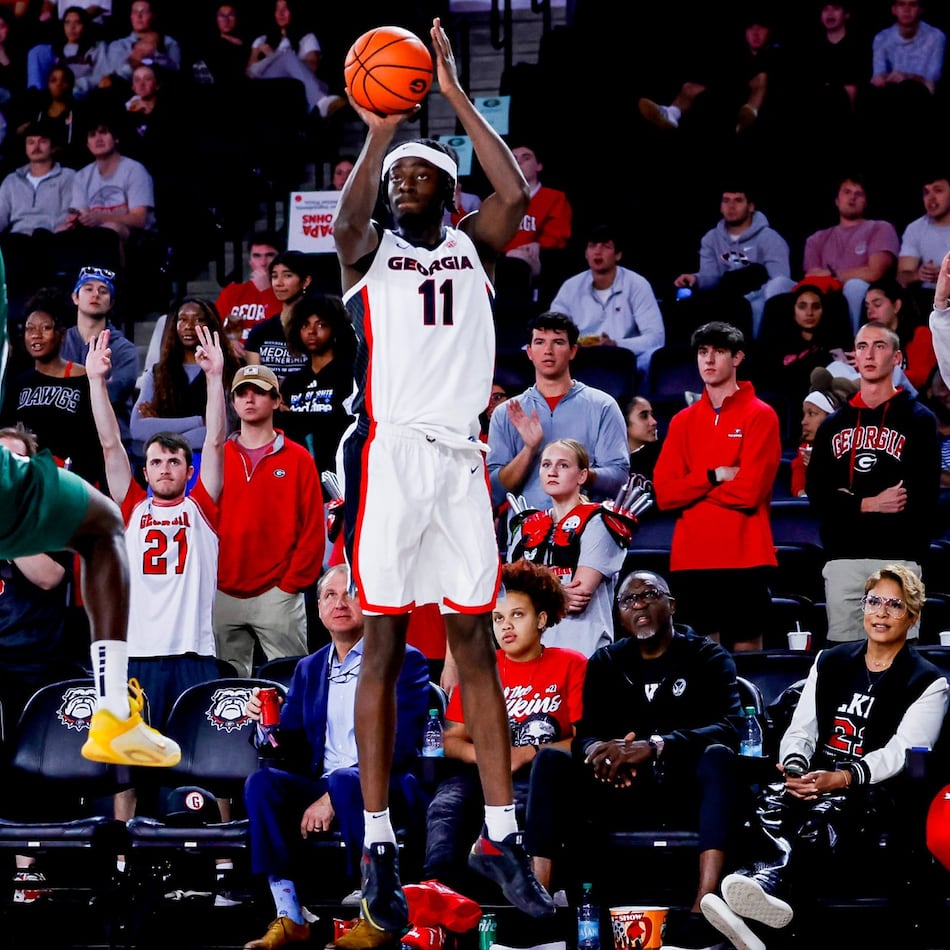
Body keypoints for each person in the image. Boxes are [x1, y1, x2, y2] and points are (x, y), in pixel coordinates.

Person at [332, 16, 555, 945]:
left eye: (420, 174)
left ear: (448, 191)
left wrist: (454, 94)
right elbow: (346, 221)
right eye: (397, 179)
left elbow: (516, 190)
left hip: (462, 458)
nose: (404, 184)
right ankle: (379, 845)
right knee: (382, 644)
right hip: (389, 457)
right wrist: (382, 130)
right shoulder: (368, 255)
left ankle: (501, 838)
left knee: (476, 645)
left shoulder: (477, 247)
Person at [701, 564, 949, 950]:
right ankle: (759, 900)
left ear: (913, 616)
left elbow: (902, 751)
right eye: (874, 601)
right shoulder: (830, 661)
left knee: (826, 813)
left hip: (876, 789)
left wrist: (844, 777)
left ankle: (762, 891)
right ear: (863, 607)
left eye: (895, 605)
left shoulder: (930, 681)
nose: (882, 612)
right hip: (818, 775)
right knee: (774, 799)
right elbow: (802, 728)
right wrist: (796, 767)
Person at [0, 249, 180, 769]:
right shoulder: (20, 383)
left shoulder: (71, 379)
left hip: (40, 491)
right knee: (104, 527)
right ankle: (113, 713)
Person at [527, 569, 742, 950]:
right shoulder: (606, 662)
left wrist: (656, 745)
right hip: (619, 786)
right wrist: (602, 753)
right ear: (620, 616)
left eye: (649, 595)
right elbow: (585, 734)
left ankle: (705, 906)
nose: (639, 604)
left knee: (718, 758)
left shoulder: (708, 656)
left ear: (671, 605)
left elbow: (730, 727)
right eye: (628, 600)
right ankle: (537, 904)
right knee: (550, 762)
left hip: (685, 788)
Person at [242, 563, 430, 950]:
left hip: (387, 784)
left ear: (370, 603)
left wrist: (330, 797)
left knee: (345, 781)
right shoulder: (309, 668)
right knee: (262, 784)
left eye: (350, 594)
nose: (339, 603)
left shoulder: (402, 659)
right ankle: (290, 914)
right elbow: (289, 747)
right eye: (330, 595)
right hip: (326, 782)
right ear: (318, 608)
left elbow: (402, 745)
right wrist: (264, 725)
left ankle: (376, 914)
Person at [86, 323, 225, 821]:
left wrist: (215, 378)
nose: (165, 468)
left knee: (208, 764)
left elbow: (215, 441)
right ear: (145, 472)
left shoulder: (202, 507)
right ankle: (124, 854)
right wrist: (97, 382)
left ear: (188, 470)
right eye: (157, 461)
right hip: (137, 658)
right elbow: (110, 444)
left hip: (192, 653)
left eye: (174, 461)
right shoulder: (131, 508)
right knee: (127, 769)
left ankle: (222, 857)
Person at [424, 558, 584, 894]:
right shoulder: (480, 668)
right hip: (481, 772)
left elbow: (583, 740)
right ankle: (436, 890)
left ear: (541, 619)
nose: (506, 626)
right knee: (446, 804)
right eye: (498, 618)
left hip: (540, 777)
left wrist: (528, 753)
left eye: (517, 615)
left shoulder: (571, 663)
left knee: (526, 807)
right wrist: (489, 757)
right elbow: (450, 739)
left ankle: (527, 895)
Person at [806, 321, 940, 643]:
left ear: (897, 358)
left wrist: (846, 500)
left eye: (879, 346)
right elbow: (819, 496)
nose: (869, 354)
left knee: (898, 659)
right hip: (843, 560)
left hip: (900, 558)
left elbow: (922, 498)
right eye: (862, 347)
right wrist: (868, 503)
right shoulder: (832, 426)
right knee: (844, 657)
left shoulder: (919, 420)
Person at [653, 321, 781, 652]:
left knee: (748, 654)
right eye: (703, 352)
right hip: (692, 558)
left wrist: (692, 490)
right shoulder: (682, 421)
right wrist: (713, 476)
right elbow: (665, 494)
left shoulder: (761, 415)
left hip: (746, 555)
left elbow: (750, 492)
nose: (708, 360)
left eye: (719, 352)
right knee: (701, 658)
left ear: (737, 358)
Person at [214, 363, 323, 678]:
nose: (249, 399)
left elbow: (313, 529)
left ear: (276, 400)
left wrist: (290, 585)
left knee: (290, 683)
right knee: (226, 688)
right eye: (242, 393)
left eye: (259, 392)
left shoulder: (299, 458)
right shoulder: (216, 457)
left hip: (279, 593)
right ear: (233, 402)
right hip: (222, 591)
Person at [488, 310, 629, 512]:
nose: (548, 350)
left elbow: (619, 480)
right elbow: (493, 491)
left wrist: (578, 472)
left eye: (558, 342)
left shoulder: (603, 406)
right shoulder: (505, 413)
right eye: (540, 342)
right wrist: (529, 450)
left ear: (573, 351)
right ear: (529, 352)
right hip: (526, 526)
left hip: (587, 524)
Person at [508, 439, 630, 657]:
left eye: (563, 465)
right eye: (546, 465)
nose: (552, 472)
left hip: (582, 649)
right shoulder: (525, 526)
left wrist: (530, 596)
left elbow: (578, 596)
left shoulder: (600, 522)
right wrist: (559, 593)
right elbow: (510, 596)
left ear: (582, 476)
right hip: (530, 652)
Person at [1, 286, 103, 485]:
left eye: (45, 328)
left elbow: (95, 443)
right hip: (26, 482)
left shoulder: (85, 379)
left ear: (61, 334)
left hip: (70, 483)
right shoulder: (18, 384)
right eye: (30, 328)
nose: (36, 335)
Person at [671, 186, 796, 341]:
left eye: (738, 200)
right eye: (726, 201)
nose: (731, 206)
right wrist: (696, 279)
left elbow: (779, 281)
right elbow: (711, 276)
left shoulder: (770, 238)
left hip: (759, 299)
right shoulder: (711, 238)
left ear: (751, 206)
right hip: (727, 297)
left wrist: (750, 297)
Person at [549, 223, 664, 376]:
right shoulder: (571, 286)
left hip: (623, 358)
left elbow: (656, 338)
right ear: (586, 253)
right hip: (579, 357)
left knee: (650, 358)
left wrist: (616, 344)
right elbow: (552, 329)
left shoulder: (637, 284)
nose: (598, 251)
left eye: (606, 246)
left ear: (618, 255)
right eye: (592, 246)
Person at [131, 297, 239, 458]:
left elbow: (222, 430)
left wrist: (161, 432)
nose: (188, 326)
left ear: (211, 324)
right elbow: (138, 428)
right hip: (167, 462)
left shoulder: (228, 371)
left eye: (198, 320)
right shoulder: (156, 373)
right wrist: (199, 421)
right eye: (182, 319)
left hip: (212, 460)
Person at [802, 174, 900, 334]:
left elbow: (874, 272)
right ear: (837, 200)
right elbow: (811, 277)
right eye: (847, 192)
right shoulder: (816, 239)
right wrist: (854, 272)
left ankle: (856, 341)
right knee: (781, 285)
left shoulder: (880, 228)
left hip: (864, 295)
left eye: (858, 194)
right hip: (826, 296)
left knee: (854, 285)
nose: (852, 197)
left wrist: (831, 274)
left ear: (865, 201)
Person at [276, 291, 356, 485]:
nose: (311, 331)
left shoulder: (350, 376)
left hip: (341, 472)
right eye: (305, 325)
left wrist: (297, 418)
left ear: (335, 329)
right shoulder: (293, 383)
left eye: (321, 325)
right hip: (299, 476)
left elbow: (347, 423)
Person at [59, 264, 139, 450]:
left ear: (111, 303)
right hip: (63, 440)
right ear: (75, 297)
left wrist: (66, 387)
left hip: (111, 445)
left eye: (103, 291)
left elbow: (113, 394)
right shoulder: (58, 342)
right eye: (88, 289)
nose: (96, 294)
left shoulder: (125, 350)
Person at [0, 119, 76, 295]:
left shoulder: (68, 176)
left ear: (53, 147)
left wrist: (55, 230)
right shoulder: (12, 180)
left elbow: (69, 211)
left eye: (42, 141)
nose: (36, 147)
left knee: (42, 241)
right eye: (31, 142)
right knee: (13, 246)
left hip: (52, 237)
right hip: (18, 239)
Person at [757, 282, 853, 405]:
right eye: (802, 307)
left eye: (816, 307)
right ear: (793, 310)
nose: (809, 313)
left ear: (823, 310)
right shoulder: (776, 345)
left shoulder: (832, 347)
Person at [245, 0, 343, 119]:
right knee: (287, 55)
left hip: (290, 83)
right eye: (277, 9)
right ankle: (321, 101)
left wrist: (285, 62)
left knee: (320, 83)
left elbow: (312, 68)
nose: (281, 13)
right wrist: (273, 57)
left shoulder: (306, 38)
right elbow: (250, 72)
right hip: (265, 78)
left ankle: (320, 106)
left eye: (285, 9)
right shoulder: (262, 40)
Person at [502, 141, 572, 298]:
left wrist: (539, 245)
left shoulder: (554, 197)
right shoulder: (499, 200)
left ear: (539, 166)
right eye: (514, 159)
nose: (519, 162)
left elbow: (558, 236)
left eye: (526, 158)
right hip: (501, 264)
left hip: (537, 262)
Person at [244, 249, 312, 380]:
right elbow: (255, 380)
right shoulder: (259, 332)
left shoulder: (315, 329)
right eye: (274, 276)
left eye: (287, 276)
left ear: (306, 281)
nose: (279, 283)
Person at [789, 367, 856, 499]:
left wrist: (821, 466)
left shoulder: (852, 446)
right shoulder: (806, 448)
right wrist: (801, 493)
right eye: (804, 414)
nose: (804, 422)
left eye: (812, 414)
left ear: (831, 417)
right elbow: (800, 484)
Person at [215, 230, 282, 359]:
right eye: (257, 256)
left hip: (273, 361)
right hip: (236, 361)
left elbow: (284, 329)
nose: (263, 262)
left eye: (270, 255)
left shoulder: (289, 292)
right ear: (250, 261)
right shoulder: (231, 292)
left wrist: (267, 291)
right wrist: (227, 342)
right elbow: (213, 327)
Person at [863, 277, 935, 389]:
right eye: (867, 306)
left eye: (877, 304)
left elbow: (923, 378)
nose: (870, 311)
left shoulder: (920, 335)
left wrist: (882, 370)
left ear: (896, 306)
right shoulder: (865, 338)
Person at [897, 171, 950, 320]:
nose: (931, 198)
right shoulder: (915, 229)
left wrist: (945, 275)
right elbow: (902, 277)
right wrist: (918, 275)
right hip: (926, 299)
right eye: (926, 192)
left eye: (938, 190)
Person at [26, 5, 108, 98]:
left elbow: (102, 76)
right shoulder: (52, 50)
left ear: (85, 25)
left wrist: (79, 85)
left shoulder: (97, 47)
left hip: (85, 94)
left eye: (78, 22)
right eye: (67, 23)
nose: (72, 27)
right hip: (56, 95)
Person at [101, 0, 181, 88]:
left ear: (152, 15)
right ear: (131, 17)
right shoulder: (118, 46)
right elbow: (114, 74)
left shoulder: (169, 43)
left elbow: (175, 72)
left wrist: (158, 52)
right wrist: (135, 60)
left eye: (144, 12)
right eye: (135, 12)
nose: (139, 16)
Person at [625, 394, 661, 484]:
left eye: (652, 415)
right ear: (624, 421)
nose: (653, 422)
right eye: (644, 416)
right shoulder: (606, 460)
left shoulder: (664, 456)